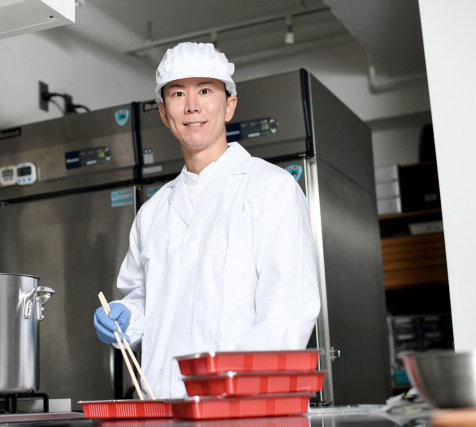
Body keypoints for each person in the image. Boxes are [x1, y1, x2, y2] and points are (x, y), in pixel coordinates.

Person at [94, 42, 320, 399]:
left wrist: (230, 393)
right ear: (164, 113)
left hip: (239, 408)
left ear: (229, 105)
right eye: (177, 93)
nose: (192, 106)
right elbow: (146, 302)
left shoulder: (271, 189)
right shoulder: (152, 213)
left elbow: (288, 312)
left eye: (204, 90)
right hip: (161, 408)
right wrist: (126, 316)